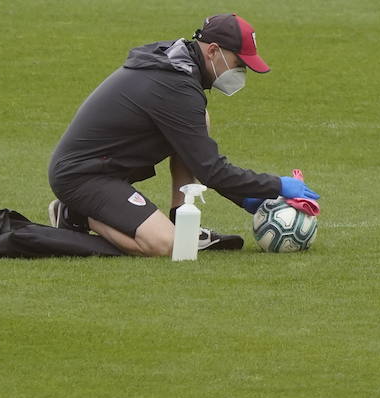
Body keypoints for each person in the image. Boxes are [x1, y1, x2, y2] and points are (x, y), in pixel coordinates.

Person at [45, 13, 320, 257]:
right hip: (82, 176)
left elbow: (198, 155)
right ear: (213, 50)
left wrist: (246, 197)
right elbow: (212, 170)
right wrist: (277, 186)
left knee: (200, 121)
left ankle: (182, 221)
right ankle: (75, 214)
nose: (241, 73)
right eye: (239, 64)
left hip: (104, 167)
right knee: (165, 245)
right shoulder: (176, 87)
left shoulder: (178, 63)